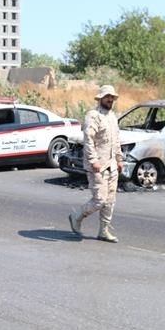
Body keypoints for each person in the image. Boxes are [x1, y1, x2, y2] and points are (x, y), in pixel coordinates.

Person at [68, 85, 124, 243]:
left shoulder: (112, 116)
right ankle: (77, 216)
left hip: (112, 164)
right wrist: (93, 160)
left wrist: (119, 159)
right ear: (100, 98)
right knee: (99, 200)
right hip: (97, 165)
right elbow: (88, 140)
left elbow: (116, 140)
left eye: (112, 97)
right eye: (107, 97)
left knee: (110, 201)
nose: (110, 99)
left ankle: (103, 231)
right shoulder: (93, 116)